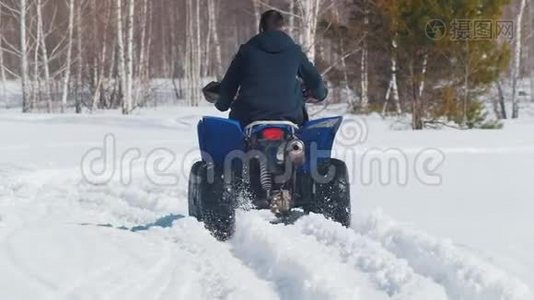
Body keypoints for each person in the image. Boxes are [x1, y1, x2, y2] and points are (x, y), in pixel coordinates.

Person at [215, 10, 328, 126]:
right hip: (291, 116)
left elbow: (229, 84)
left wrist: (222, 104)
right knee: (303, 139)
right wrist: (321, 93)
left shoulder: (246, 51)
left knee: (235, 142)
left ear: (261, 28)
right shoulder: (294, 51)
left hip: (249, 116)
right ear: (282, 27)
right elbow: (314, 80)